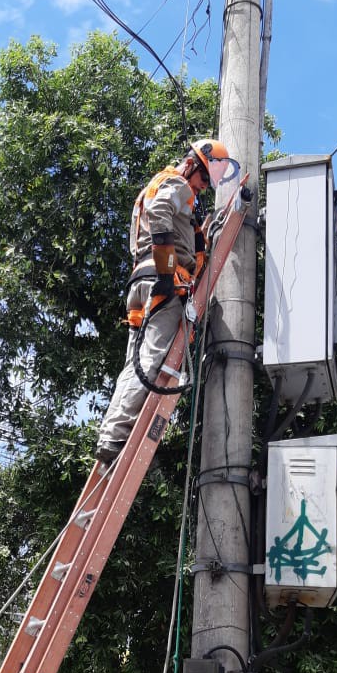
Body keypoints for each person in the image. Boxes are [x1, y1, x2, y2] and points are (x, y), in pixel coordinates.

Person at [95, 138, 239, 464]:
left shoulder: (162, 188)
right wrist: (167, 269)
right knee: (150, 362)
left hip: (142, 281)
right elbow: (161, 212)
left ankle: (111, 432)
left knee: (135, 363)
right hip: (162, 282)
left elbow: (172, 230)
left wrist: (199, 234)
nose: (203, 187)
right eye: (203, 178)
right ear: (190, 165)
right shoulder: (176, 184)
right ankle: (116, 436)